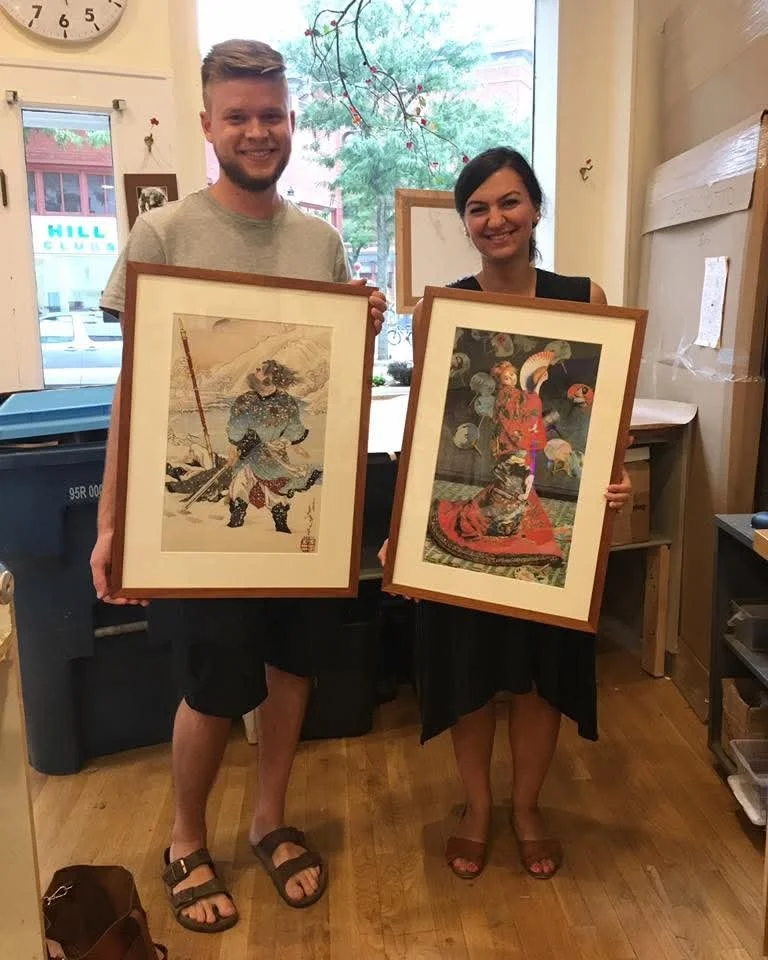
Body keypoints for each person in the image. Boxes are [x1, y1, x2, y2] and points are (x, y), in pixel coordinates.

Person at [91, 39, 385, 934]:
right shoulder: (165, 234)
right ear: (210, 124)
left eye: (272, 114)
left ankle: (268, 817)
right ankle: (187, 839)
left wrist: (361, 327)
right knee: (216, 684)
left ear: (290, 120)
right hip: (204, 516)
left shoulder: (319, 240)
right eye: (240, 116)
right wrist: (113, 525)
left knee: (293, 668)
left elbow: (327, 381)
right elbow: (137, 393)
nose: (258, 131)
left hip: (299, 503)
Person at [379, 147, 631, 881]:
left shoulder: (584, 299)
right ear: (465, 222)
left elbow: (602, 422)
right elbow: (426, 427)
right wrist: (402, 524)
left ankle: (526, 807)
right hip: (474, 500)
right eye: (479, 208)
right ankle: (478, 806)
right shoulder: (441, 311)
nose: (496, 219)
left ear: (536, 208)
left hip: (551, 510)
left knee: (538, 673)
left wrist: (612, 482)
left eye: (510, 201)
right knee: (468, 671)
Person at [226, 360, 321, 532]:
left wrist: (284, 441)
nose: (255, 371)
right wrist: (240, 442)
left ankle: (280, 524)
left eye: (260, 370)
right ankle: (237, 520)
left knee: (275, 490)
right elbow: (235, 429)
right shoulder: (245, 400)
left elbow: (295, 428)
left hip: (273, 456)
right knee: (240, 482)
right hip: (248, 453)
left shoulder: (286, 402)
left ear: (270, 377)